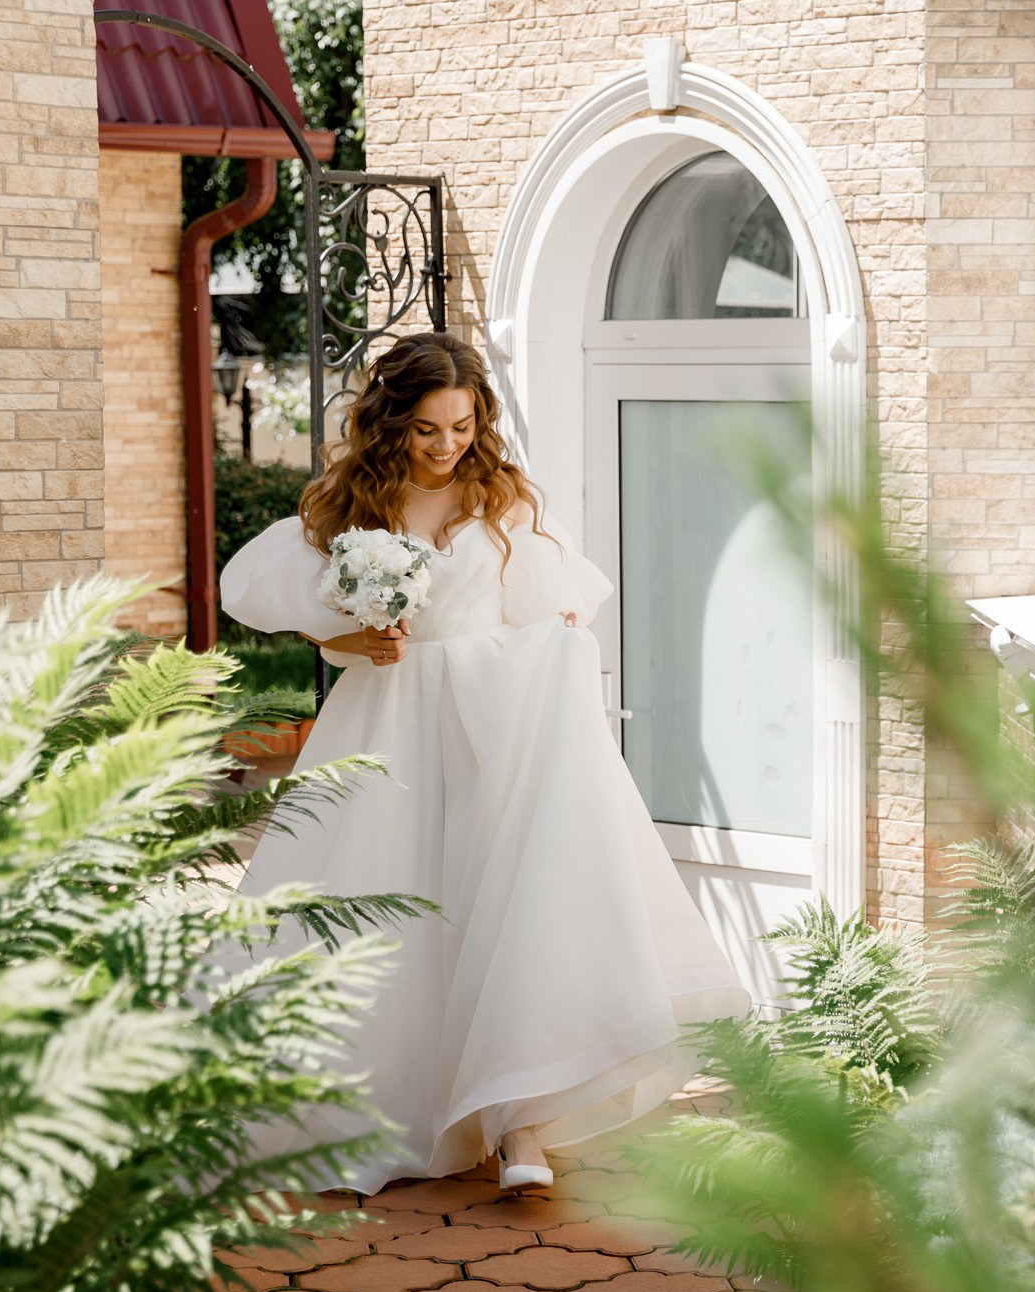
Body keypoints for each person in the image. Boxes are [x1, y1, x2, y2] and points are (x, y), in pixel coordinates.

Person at [218, 331, 751, 1194]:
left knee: (511, 904)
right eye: (427, 429)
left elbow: (555, 613)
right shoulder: (349, 502)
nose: (446, 445)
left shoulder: (502, 497)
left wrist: (560, 655)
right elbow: (269, 594)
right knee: (392, 911)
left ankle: (520, 1126)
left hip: (495, 725)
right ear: (392, 422)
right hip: (389, 724)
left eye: (461, 426)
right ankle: (382, 1104)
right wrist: (350, 638)